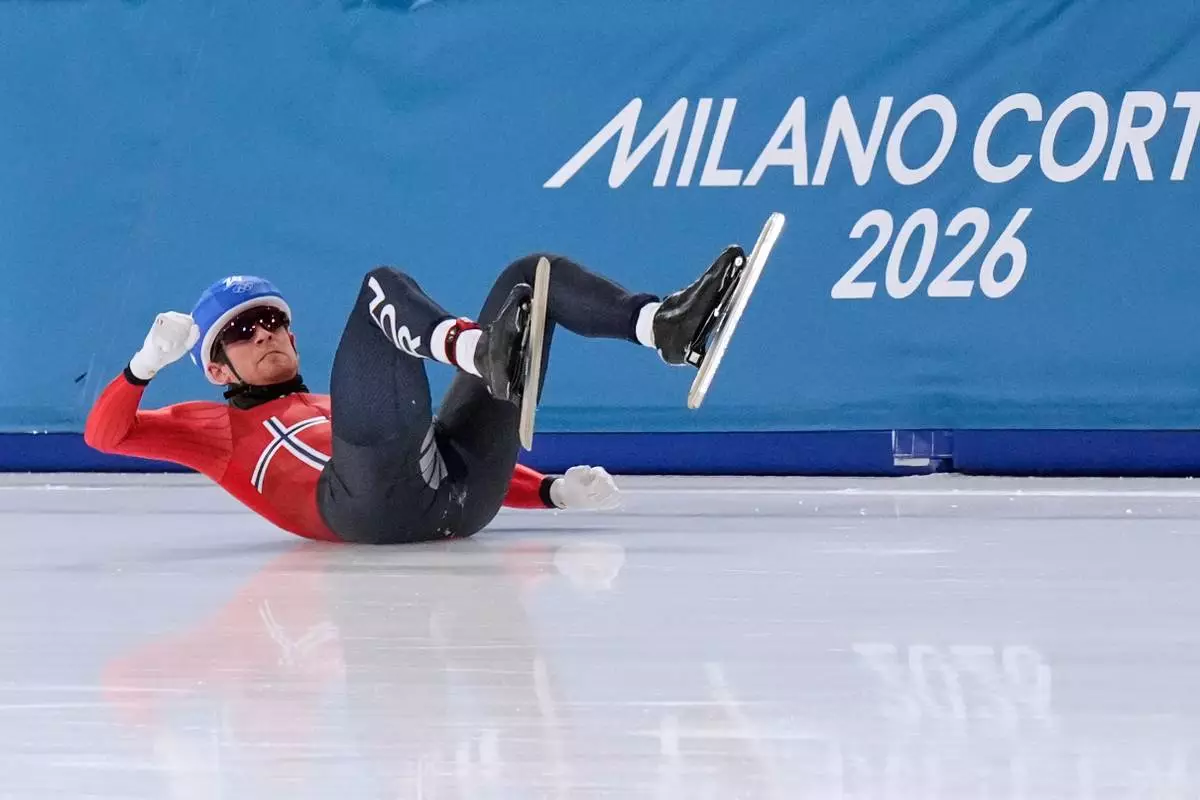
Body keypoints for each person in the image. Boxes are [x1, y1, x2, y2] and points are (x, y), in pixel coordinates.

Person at [84, 246, 744, 544]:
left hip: (458, 501)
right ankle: (473, 350)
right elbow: (105, 436)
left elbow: (427, 451)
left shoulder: (346, 411)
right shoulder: (212, 430)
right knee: (380, 288)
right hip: (362, 509)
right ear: (216, 370)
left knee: (530, 276)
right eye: (242, 331)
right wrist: (142, 368)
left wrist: (546, 492)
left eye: (274, 320)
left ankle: (663, 327)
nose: (267, 334)